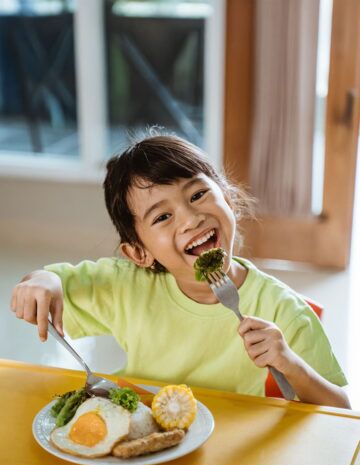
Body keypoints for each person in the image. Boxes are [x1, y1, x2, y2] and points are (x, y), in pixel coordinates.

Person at [10, 133, 350, 409]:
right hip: (142, 437)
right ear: (139, 253)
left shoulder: (283, 310)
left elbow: (341, 412)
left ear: (229, 201)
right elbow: (53, 283)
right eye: (162, 216)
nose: (190, 219)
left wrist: (289, 362)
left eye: (199, 194)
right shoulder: (127, 284)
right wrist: (41, 280)